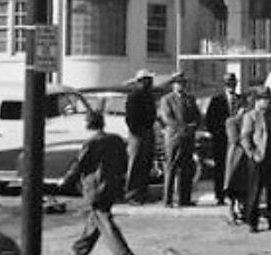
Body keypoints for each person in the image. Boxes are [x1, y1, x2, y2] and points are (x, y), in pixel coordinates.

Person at [61, 112, 133, 255]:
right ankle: (81, 247)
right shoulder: (116, 140)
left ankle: (122, 251)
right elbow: (124, 162)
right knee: (96, 218)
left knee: (103, 219)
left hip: (96, 187)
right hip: (113, 184)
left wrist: (66, 181)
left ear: (88, 125)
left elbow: (79, 165)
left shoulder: (91, 143)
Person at [241, 87, 271, 233]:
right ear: (257, 101)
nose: (266, 102)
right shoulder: (251, 116)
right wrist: (252, 153)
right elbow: (245, 137)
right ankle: (252, 221)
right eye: (263, 99)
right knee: (255, 191)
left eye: (268, 98)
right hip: (259, 157)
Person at [157, 72, 201, 207]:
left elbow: (197, 116)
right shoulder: (167, 99)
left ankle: (185, 199)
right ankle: (168, 200)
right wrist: (183, 128)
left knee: (187, 168)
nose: (181, 85)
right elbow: (167, 118)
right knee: (171, 167)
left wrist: (193, 126)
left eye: (182, 83)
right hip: (174, 137)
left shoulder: (190, 99)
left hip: (188, 137)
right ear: (173, 85)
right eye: (178, 83)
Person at [204, 73, 241, 206]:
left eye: (232, 83)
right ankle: (220, 195)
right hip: (221, 140)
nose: (230, 85)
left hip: (237, 141)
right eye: (228, 83)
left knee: (235, 167)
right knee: (220, 167)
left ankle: (234, 195)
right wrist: (219, 133)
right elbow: (209, 121)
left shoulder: (240, 100)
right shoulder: (216, 100)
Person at [123, 69, 156, 205]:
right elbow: (130, 117)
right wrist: (137, 132)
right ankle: (132, 195)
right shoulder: (134, 96)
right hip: (137, 134)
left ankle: (142, 193)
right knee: (135, 164)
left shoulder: (149, 96)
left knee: (146, 164)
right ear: (141, 81)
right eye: (148, 80)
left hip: (148, 131)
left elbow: (152, 114)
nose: (150, 82)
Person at [223, 91, 253, 224]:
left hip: (246, 157)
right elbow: (234, 138)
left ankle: (244, 211)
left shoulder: (251, 120)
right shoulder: (231, 121)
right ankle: (231, 212)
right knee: (231, 186)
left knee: (244, 187)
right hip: (235, 156)